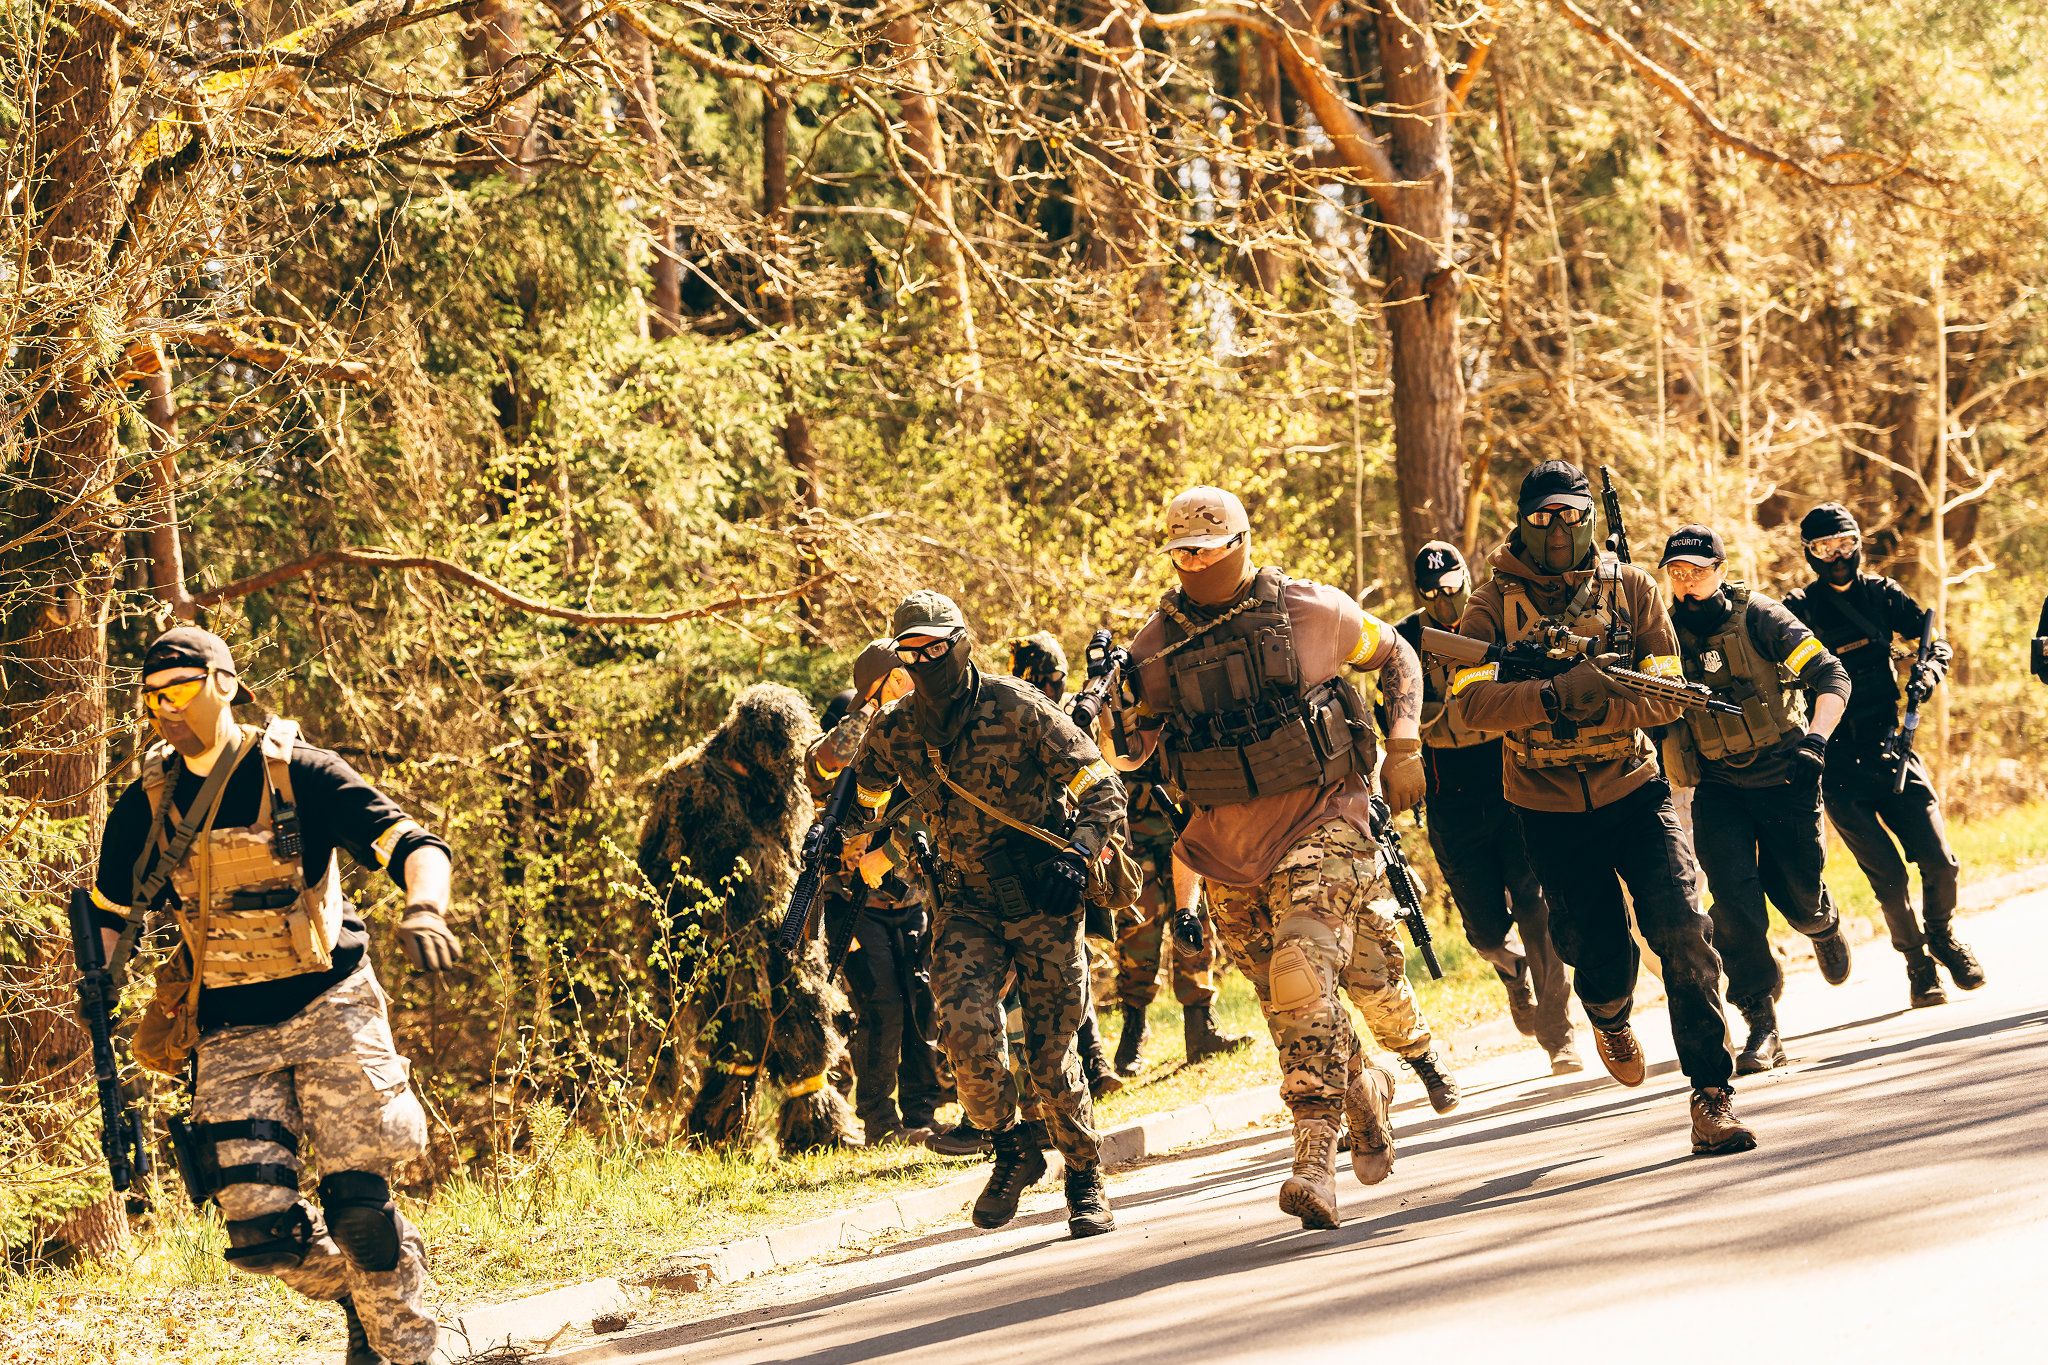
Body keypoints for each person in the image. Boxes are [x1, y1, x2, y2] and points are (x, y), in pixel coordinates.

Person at [89, 628, 456, 1365]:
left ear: (224, 684)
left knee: (360, 1211)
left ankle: (409, 1352)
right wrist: (95, 988)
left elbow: (413, 843)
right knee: (259, 1230)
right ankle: (360, 1296)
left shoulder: (297, 772)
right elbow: (107, 912)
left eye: (181, 689)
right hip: (227, 1023)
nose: (166, 707)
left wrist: (425, 906)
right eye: (153, 696)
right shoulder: (146, 803)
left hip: (330, 1003)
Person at [1106, 485, 1435, 1230]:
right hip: (1229, 856)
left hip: (1327, 820)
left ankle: (1314, 1158)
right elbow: (1132, 756)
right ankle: (1364, 1088)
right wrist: (1115, 708)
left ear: (1241, 543)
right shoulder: (1151, 651)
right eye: (1180, 551)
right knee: (1293, 1003)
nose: (1192, 561)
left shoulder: (1310, 611)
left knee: (1301, 971)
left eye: (1205, 547)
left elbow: (1399, 654)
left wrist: (1407, 743)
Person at [1452, 461, 1755, 1157]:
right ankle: (1608, 1012)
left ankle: (1713, 1095)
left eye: (1569, 513)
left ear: (1588, 515)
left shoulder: (1634, 587)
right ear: (1521, 520)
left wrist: (1604, 692)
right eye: (1541, 516)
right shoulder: (1490, 602)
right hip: (1546, 804)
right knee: (1597, 951)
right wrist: (1552, 695)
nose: (1557, 529)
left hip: (1633, 786)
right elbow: (1468, 705)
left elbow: (1670, 690)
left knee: (1682, 929)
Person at [846, 591, 1126, 1238]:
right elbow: (864, 799)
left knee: (1053, 1058)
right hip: (965, 902)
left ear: (961, 642)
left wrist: (1078, 856)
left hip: (1043, 895)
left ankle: (1085, 1177)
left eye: (935, 647)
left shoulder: (1018, 707)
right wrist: (847, 826)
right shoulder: (896, 729)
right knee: (964, 1033)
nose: (924, 660)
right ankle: (1010, 1147)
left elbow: (1101, 786)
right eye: (910, 652)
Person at [1657, 525, 1854, 1072]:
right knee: (1735, 909)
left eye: (1697, 571)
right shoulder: (1664, 633)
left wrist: (1817, 740)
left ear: (1721, 570)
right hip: (1718, 786)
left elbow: (1832, 676)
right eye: (1676, 572)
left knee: (1797, 895)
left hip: (1785, 774)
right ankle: (1761, 1023)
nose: (1686, 581)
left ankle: (1822, 923)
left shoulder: (1760, 617)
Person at [1784, 504, 1983, 1007]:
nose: (1838, 556)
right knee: (1889, 881)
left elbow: (1935, 643)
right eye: (1825, 547)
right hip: (1835, 764)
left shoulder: (1882, 595)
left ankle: (1942, 936)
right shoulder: (1797, 610)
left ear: (1859, 542)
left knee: (1940, 863)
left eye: (1845, 543)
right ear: (1809, 552)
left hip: (1893, 746)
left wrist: (1927, 672)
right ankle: (1919, 967)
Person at [1392, 541, 1580, 1074]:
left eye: (1452, 588)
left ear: (1466, 579)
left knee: (1537, 910)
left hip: (1511, 786)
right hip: (1450, 800)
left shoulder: (1494, 624)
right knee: (1484, 933)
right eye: (1431, 594)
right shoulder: (1404, 641)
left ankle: (1558, 1033)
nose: (1444, 601)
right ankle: (1511, 970)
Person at [806, 643, 943, 1146]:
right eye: (901, 676)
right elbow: (820, 768)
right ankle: (880, 1121)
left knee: (919, 1001)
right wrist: (867, 708)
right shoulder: (849, 738)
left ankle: (922, 1114)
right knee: (881, 1006)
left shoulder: (914, 731)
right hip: (852, 902)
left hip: (907, 895)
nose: (911, 681)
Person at [1004, 632, 1125, 1100]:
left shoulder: (1074, 714)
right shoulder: (1021, 715)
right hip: (1038, 852)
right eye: (1045, 680)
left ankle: (1091, 1061)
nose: (1051, 687)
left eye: (1054, 680)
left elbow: (1110, 769)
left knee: (1073, 955)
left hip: (1078, 849)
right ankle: (1080, 1065)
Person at [1107, 775, 1247, 1075]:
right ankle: (1134, 1029)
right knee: (1136, 927)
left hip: (1184, 819)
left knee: (1194, 921)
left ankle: (1200, 1029)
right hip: (1129, 829)